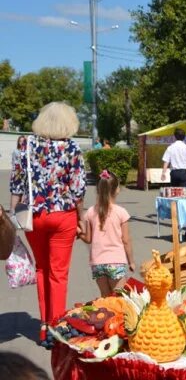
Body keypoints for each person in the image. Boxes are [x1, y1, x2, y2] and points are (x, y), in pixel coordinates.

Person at [9, 101, 86, 338]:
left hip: (34, 216)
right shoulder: (73, 149)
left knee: (41, 268)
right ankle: (57, 327)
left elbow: (17, 185)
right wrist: (81, 218)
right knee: (58, 273)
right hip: (63, 216)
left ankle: (44, 327)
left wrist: (15, 217)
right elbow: (78, 189)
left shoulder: (26, 146)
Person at [78, 169, 134, 297]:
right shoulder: (121, 212)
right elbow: (126, 240)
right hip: (116, 261)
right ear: (116, 190)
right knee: (119, 299)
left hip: (97, 263)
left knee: (105, 297)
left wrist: (79, 233)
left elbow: (88, 239)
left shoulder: (91, 212)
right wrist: (131, 261)